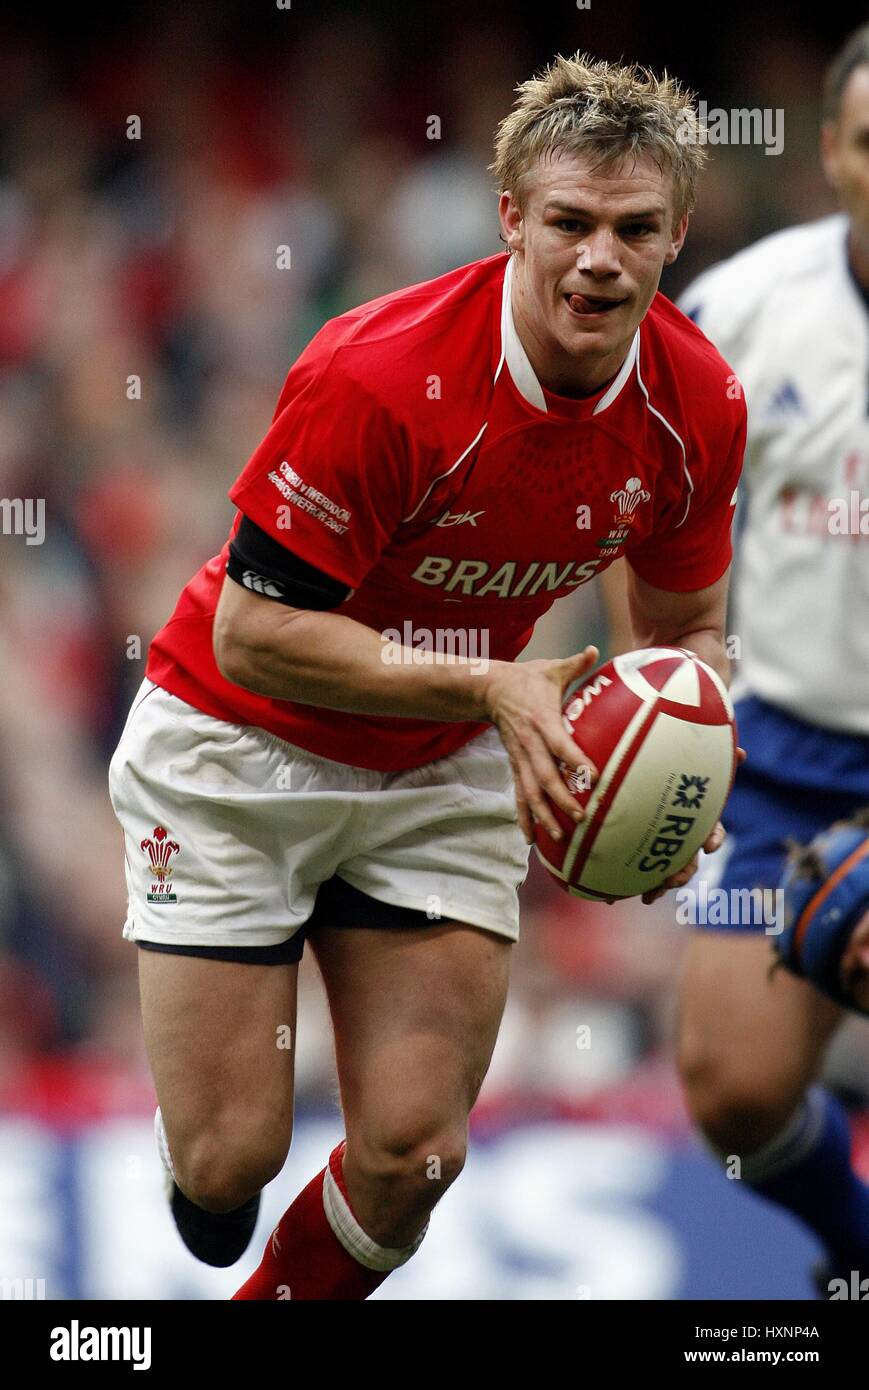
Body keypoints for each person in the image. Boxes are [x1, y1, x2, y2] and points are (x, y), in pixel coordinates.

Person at [108, 51, 744, 1301]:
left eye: (631, 228)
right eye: (567, 222)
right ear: (511, 218)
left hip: (438, 757)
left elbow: (687, 634)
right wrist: (490, 687)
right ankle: (212, 1184)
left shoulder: (698, 404)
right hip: (238, 745)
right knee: (232, 1160)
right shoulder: (378, 374)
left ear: (675, 233)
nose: (597, 259)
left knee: (414, 1155)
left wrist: (680, 780)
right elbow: (254, 636)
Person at [668, 23, 869, 1295]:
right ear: (834, 156)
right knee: (729, 1094)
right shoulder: (740, 309)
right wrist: (670, 703)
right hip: (785, 761)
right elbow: (646, 501)